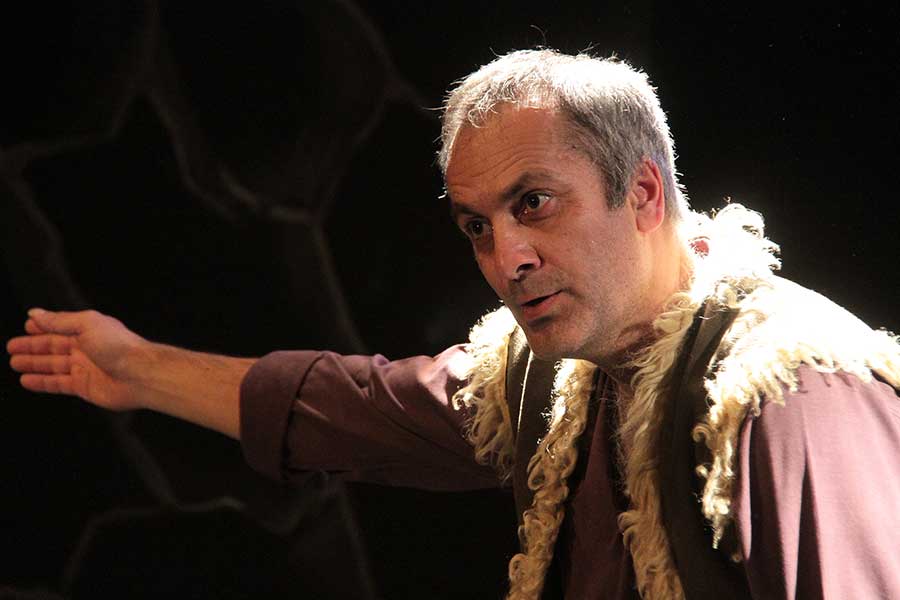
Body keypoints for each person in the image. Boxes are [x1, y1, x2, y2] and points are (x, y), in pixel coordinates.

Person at [8, 49, 900, 599]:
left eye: (533, 203)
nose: (506, 257)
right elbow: (357, 410)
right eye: (478, 226)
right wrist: (136, 368)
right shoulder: (549, 373)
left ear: (641, 193)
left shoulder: (788, 386)